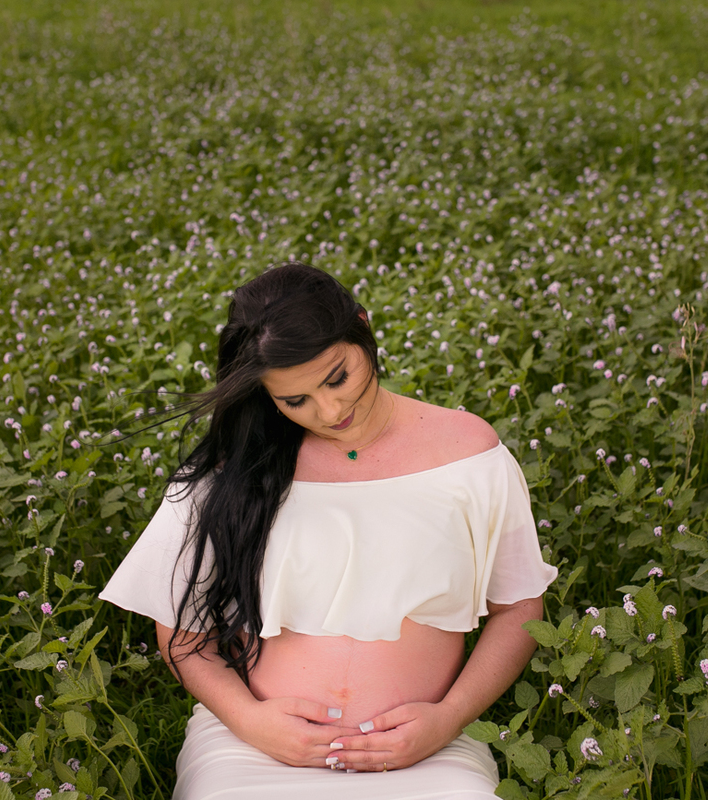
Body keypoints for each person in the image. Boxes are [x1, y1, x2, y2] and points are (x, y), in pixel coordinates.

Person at [99, 262, 557, 799]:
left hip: (426, 749)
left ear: (362, 326)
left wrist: (448, 718)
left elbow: (518, 609)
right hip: (253, 746)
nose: (331, 409)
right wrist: (250, 721)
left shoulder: (467, 452)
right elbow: (184, 637)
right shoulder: (235, 470)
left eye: (337, 377)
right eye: (295, 401)